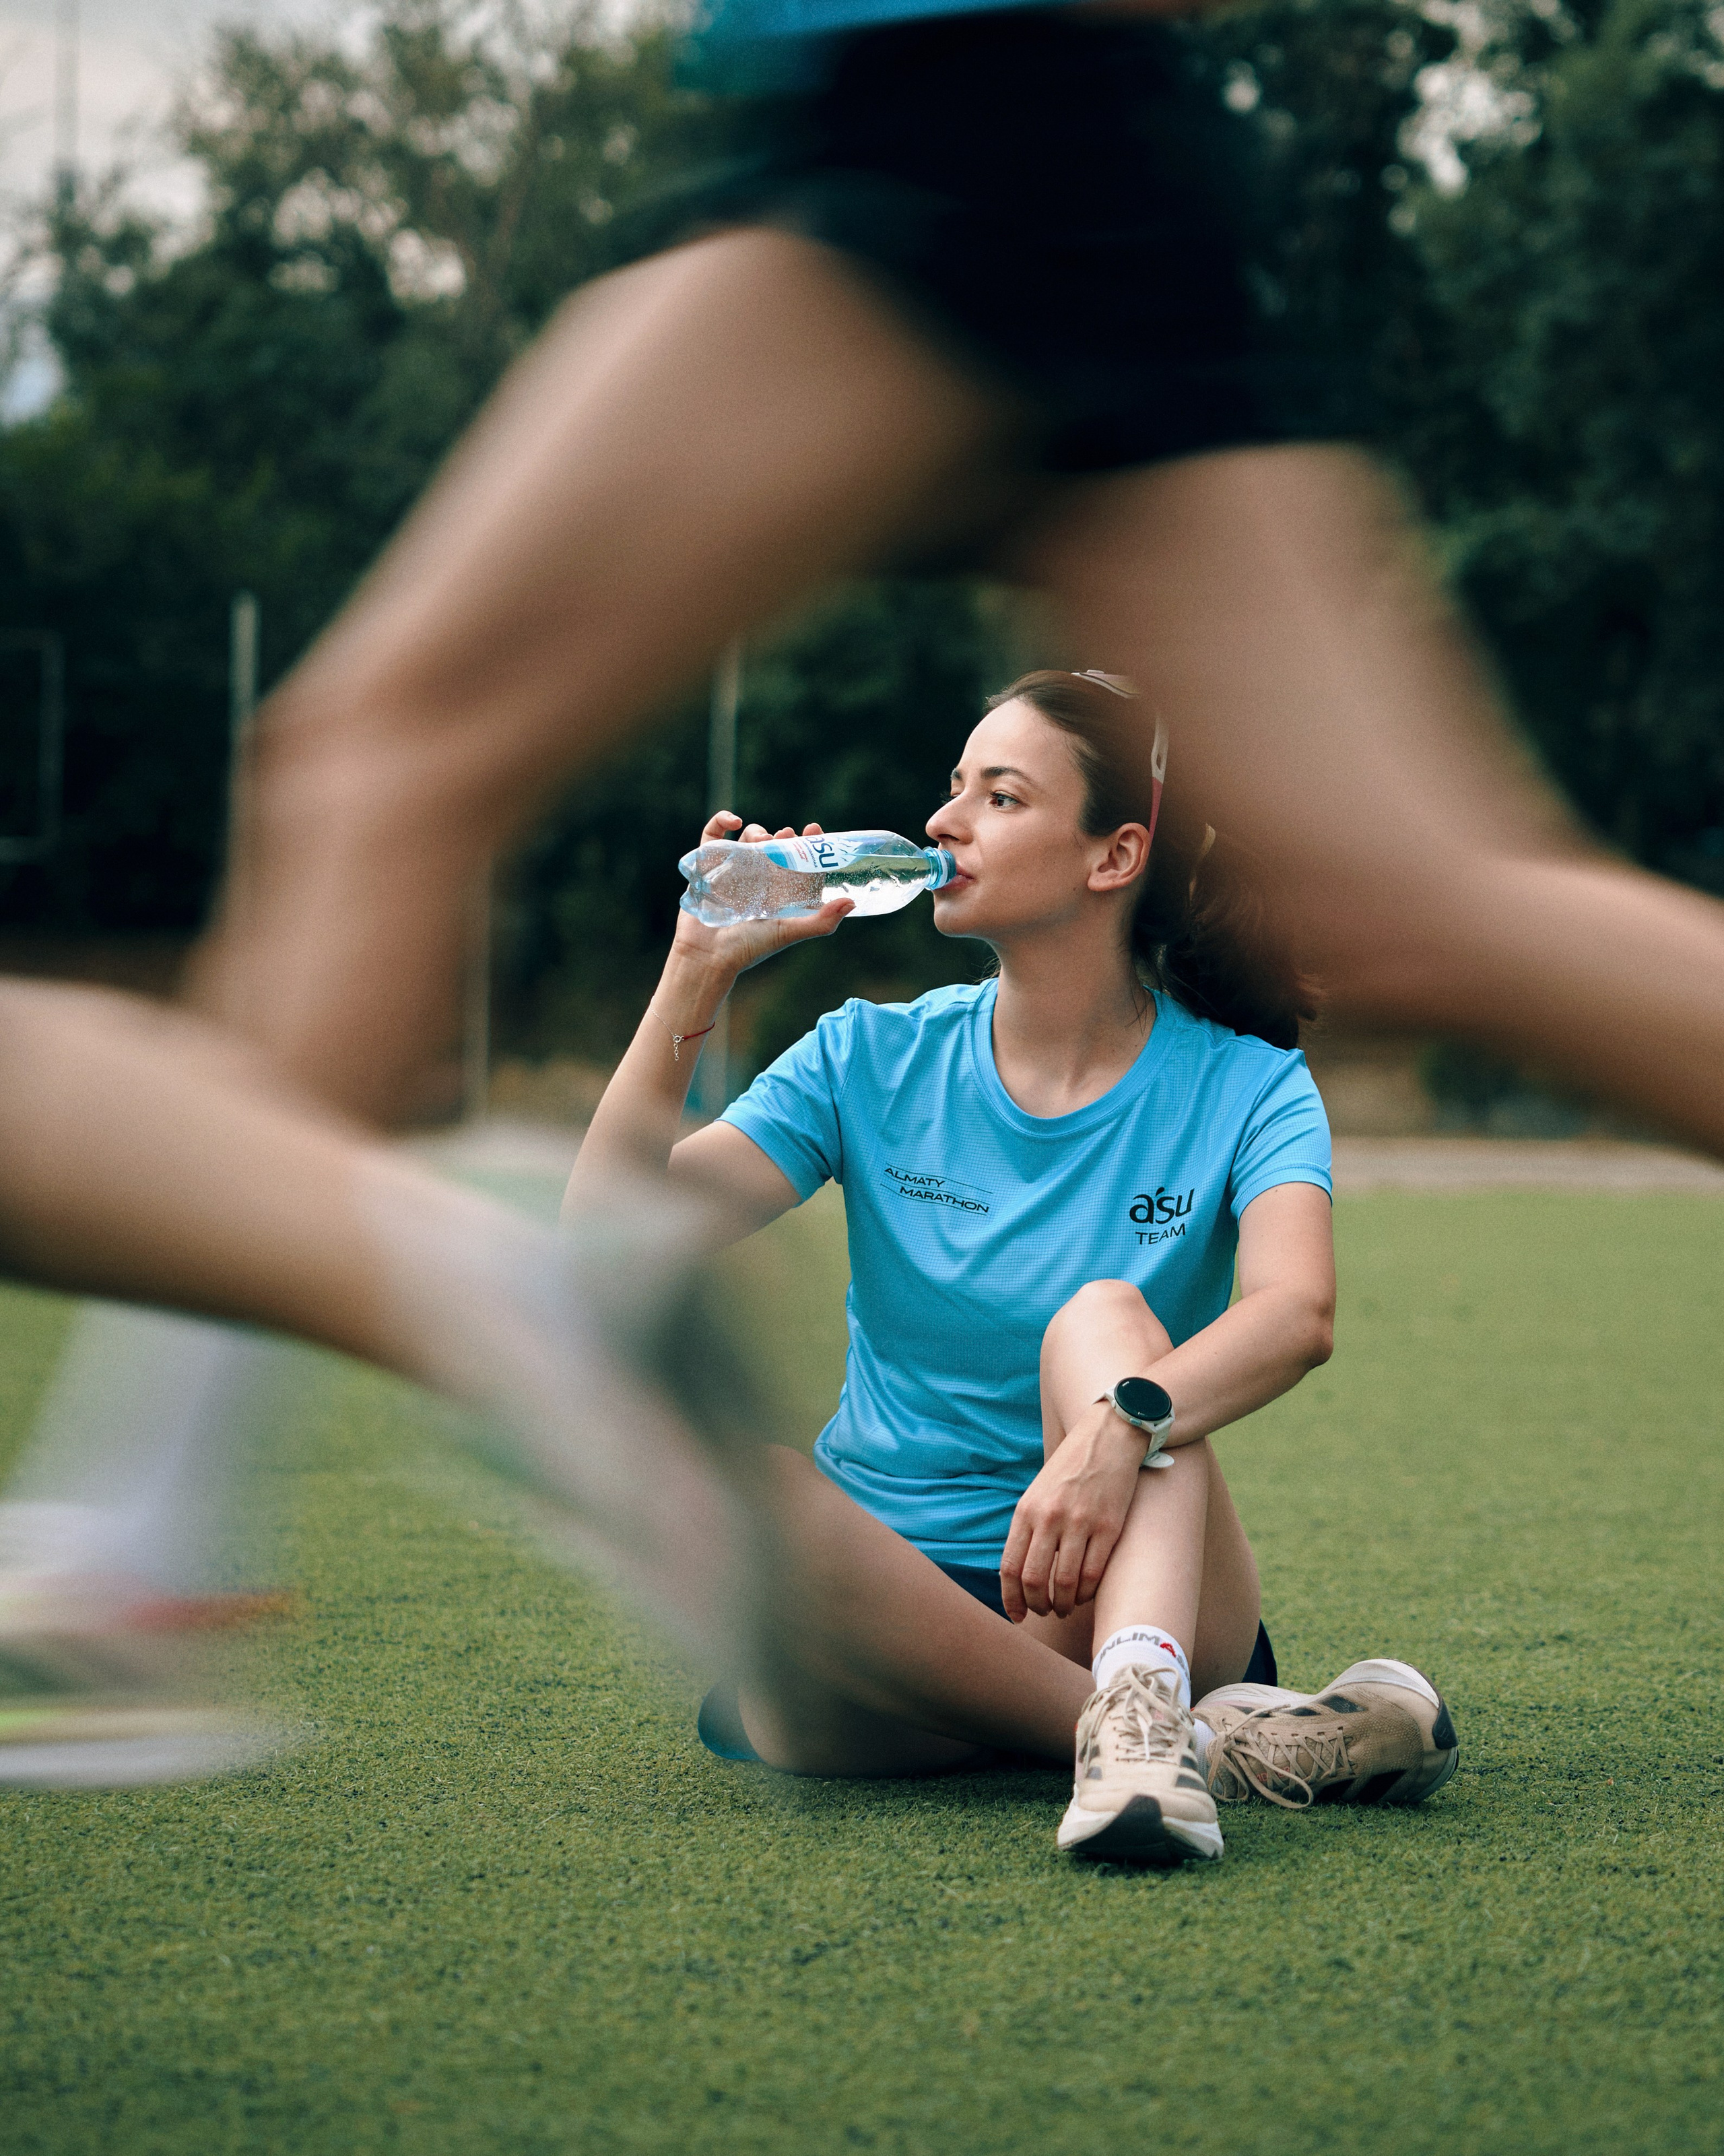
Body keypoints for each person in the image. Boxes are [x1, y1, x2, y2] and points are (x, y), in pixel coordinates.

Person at [188, 0, 1724, 1161]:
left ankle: (162, 1524)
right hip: (1078, 154)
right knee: (1401, 906)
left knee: (382, 760)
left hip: (935, 124)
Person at [564, 671, 1458, 1864]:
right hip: (885, 1610)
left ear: (1112, 855)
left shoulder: (1246, 1082)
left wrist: (1119, 1429)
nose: (941, 824)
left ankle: (1140, 1700)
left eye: (1000, 795)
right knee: (757, 1498)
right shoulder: (865, 1057)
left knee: (1107, 1322)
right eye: (952, 790)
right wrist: (696, 973)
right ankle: (1181, 1743)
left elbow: (1296, 1312)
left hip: (1122, 1581)